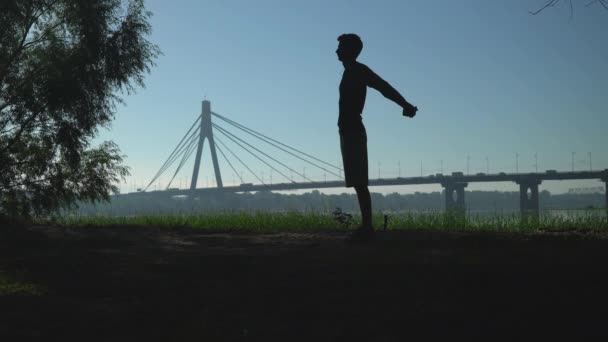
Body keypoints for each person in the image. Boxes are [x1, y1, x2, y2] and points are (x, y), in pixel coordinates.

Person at [336, 33, 418, 241]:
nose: (336, 50)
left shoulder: (359, 71)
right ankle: (366, 226)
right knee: (356, 180)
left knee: (359, 180)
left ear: (350, 50)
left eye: (341, 47)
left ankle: (367, 227)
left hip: (353, 128)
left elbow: (384, 87)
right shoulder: (349, 71)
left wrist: (405, 104)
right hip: (347, 129)